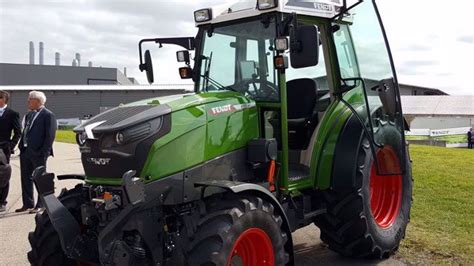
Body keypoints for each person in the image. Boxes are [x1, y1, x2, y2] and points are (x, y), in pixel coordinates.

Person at [16, 91, 57, 214]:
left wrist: (44, 152)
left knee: (39, 178)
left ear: (38, 101)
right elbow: (26, 131)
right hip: (26, 151)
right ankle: (28, 203)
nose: (28, 102)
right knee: (25, 178)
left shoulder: (48, 115)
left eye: (30, 99)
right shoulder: (29, 115)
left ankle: (41, 204)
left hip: (39, 153)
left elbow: (50, 136)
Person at [0, 90, 21, 212]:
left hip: (3, 149)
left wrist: (11, 146)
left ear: (3, 99)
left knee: (3, 176)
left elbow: (18, 132)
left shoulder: (12, 114)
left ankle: (2, 201)